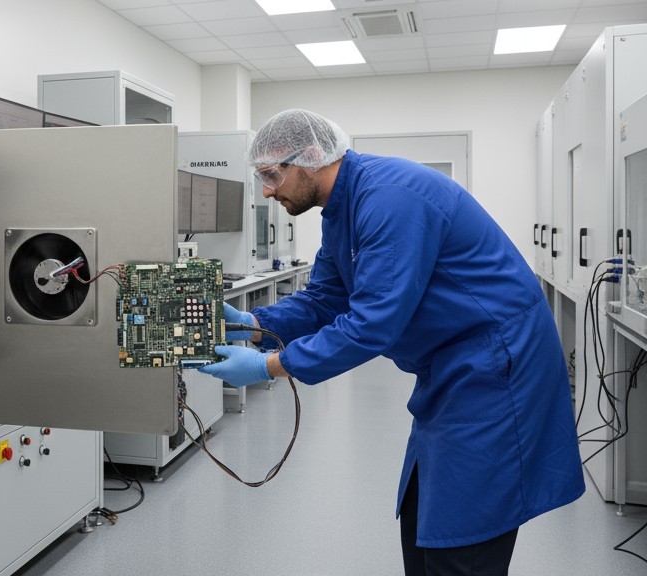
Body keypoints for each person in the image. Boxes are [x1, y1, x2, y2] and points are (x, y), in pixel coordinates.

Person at [199, 109, 585, 576]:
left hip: (497, 369)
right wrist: (252, 322)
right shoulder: (343, 208)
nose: (266, 190)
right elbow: (325, 298)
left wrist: (269, 366)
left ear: (312, 158)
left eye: (271, 174)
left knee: (461, 542)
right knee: (423, 524)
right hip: (449, 368)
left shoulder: (388, 198)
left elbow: (370, 325)